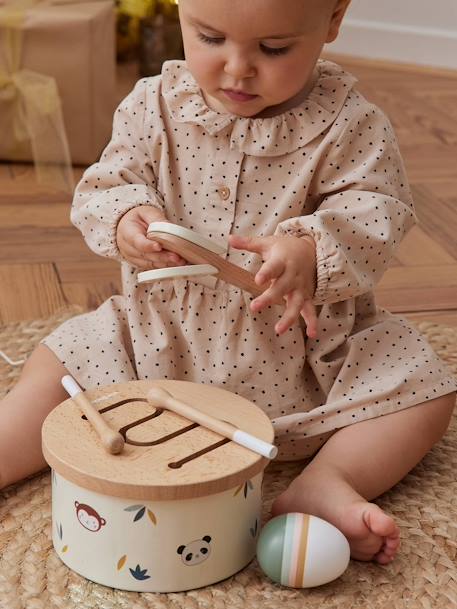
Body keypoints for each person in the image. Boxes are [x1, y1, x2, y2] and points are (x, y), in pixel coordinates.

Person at [1, 0, 455, 565]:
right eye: (210, 37)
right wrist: (125, 218)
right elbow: (106, 183)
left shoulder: (350, 124)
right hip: (155, 349)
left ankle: (328, 478)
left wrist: (312, 251)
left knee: (424, 390)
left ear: (333, 20)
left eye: (273, 48)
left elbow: (379, 212)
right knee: (57, 360)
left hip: (301, 363)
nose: (237, 68)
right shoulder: (153, 105)